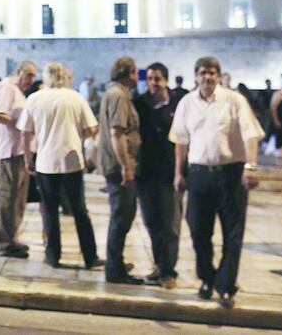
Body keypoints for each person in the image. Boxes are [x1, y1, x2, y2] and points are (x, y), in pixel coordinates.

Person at [170, 56, 264, 308]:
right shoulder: (187, 103)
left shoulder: (234, 100)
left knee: (233, 232)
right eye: (202, 73)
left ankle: (225, 285)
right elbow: (180, 140)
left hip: (230, 174)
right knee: (198, 230)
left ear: (219, 75)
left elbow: (250, 133)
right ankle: (207, 277)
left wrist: (251, 166)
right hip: (199, 174)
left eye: (212, 72)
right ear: (195, 76)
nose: (208, 77)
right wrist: (179, 173)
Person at [19, 63, 101, 270]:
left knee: (50, 211)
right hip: (72, 161)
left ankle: (53, 256)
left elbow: (25, 132)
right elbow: (92, 128)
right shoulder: (75, 97)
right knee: (80, 211)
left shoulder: (35, 98)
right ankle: (90, 257)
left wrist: (28, 159)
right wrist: (75, 135)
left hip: (46, 161)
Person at [133, 62, 185, 289]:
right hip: (145, 172)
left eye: (158, 78)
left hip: (169, 172)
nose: (153, 83)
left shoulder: (177, 104)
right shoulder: (139, 104)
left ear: (165, 80)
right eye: (150, 79)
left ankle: (168, 271)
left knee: (170, 223)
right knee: (152, 222)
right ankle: (160, 265)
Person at [96, 57, 143, 284]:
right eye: (135, 72)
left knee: (123, 216)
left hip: (117, 165)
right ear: (128, 73)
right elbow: (117, 132)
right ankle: (114, 269)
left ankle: (116, 262)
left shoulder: (115, 93)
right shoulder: (119, 95)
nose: (137, 76)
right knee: (121, 217)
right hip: (119, 167)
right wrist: (126, 166)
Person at [0, 60, 38, 258]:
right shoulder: (7, 88)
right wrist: (21, 124)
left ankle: (14, 238)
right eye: (29, 75)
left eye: (33, 76)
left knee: (18, 199)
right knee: (7, 197)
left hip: (20, 152)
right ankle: (5, 242)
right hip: (9, 151)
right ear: (19, 72)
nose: (31, 80)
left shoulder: (18, 91)